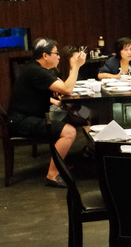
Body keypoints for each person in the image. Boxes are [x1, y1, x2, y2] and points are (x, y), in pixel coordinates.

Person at [7, 38, 85, 188]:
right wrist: (76, 66)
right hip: (21, 121)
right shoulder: (36, 71)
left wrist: (56, 101)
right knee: (69, 132)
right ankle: (52, 175)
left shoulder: (36, 69)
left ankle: (61, 163)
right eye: (56, 53)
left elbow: (34, 95)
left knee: (73, 117)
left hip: (27, 115)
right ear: (45, 55)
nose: (59, 56)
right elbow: (67, 89)